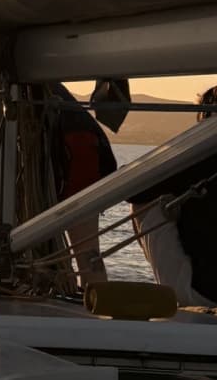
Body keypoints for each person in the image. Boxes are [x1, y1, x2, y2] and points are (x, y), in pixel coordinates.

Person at [131, 84, 217, 306]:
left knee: (145, 205)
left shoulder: (196, 159)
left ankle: (177, 297)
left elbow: (136, 192)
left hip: (203, 292)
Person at [47, 81, 116, 287]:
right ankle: (95, 296)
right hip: (88, 147)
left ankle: (89, 292)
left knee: (78, 251)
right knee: (86, 251)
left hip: (74, 147)